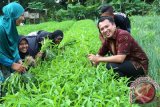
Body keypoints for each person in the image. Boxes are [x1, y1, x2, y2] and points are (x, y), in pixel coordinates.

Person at [88, 16, 148, 81]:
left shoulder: (123, 35)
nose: (105, 30)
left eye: (107, 26)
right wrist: (93, 64)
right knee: (111, 66)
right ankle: (127, 83)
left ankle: (129, 85)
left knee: (110, 66)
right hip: (127, 63)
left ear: (114, 25)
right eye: (102, 29)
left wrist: (98, 59)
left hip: (138, 65)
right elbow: (99, 55)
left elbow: (120, 58)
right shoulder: (108, 40)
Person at [0, 2, 26, 96]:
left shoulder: (11, 26)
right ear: (13, 15)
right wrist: (11, 64)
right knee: (2, 87)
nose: (23, 18)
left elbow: (14, 45)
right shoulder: (1, 28)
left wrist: (18, 59)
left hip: (6, 60)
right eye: (21, 15)